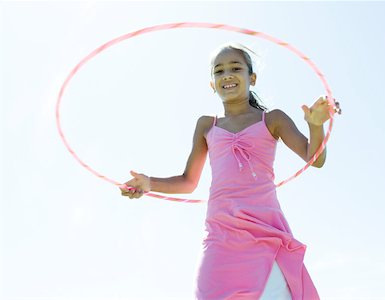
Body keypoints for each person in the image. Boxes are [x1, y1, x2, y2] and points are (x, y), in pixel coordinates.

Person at [119, 43, 341, 299]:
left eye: (235, 68)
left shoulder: (272, 120)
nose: (226, 75)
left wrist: (315, 126)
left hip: (264, 234)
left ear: (252, 78)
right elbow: (188, 181)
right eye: (219, 71)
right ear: (212, 84)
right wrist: (148, 183)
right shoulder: (206, 125)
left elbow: (315, 159)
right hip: (220, 237)